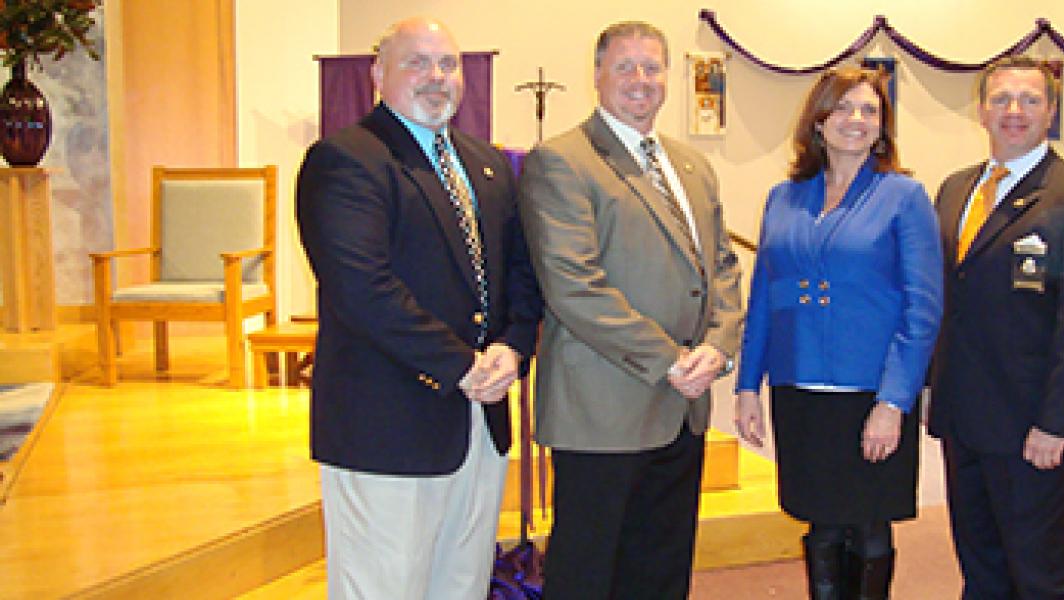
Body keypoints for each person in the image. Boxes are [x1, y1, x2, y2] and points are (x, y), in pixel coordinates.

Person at [295, 17, 542, 600]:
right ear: (378, 73)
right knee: (385, 587)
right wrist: (463, 365)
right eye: (417, 62)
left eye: (448, 64)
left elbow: (521, 277)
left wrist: (512, 347)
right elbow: (362, 288)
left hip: (480, 422)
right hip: (388, 424)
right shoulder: (347, 159)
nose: (437, 77)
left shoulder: (485, 164)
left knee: (460, 583)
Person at [518, 21, 744, 600]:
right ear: (597, 75)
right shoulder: (563, 160)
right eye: (625, 67)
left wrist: (717, 348)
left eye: (652, 67)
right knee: (590, 572)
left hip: (684, 403)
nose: (640, 81)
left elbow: (720, 267)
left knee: (662, 567)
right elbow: (574, 286)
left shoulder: (690, 165)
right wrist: (672, 359)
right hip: (604, 408)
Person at [734, 67, 944, 600]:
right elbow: (765, 298)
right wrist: (747, 385)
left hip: (870, 393)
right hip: (800, 391)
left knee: (870, 523)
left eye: (869, 110)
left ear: (882, 126)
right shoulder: (784, 197)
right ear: (819, 121)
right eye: (843, 108)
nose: (856, 120)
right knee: (820, 520)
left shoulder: (904, 197)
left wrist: (894, 401)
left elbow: (922, 310)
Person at [928, 55, 1064, 599]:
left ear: (1052, 112)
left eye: (1030, 100)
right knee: (981, 566)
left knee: (1041, 573)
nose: (1013, 112)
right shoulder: (954, 190)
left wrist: (1058, 424)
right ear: (981, 110)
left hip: (1031, 429)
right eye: (1000, 100)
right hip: (964, 419)